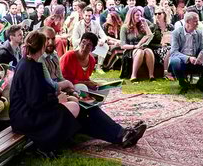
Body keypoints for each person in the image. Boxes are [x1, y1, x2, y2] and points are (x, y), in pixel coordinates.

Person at [9, 30, 145, 153]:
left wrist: (60, 95)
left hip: (33, 110)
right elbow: (35, 101)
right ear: (42, 46)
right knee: (77, 108)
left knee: (85, 108)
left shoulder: (30, 63)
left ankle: (121, 134)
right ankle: (120, 134)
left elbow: (40, 91)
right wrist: (57, 99)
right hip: (27, 117)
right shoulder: (30, 67)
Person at [168, 11, 203, 91]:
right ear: (187, 22)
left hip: (195, 60)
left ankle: (201, 82)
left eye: (197, 21)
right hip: (182, 60)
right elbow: (174, 52)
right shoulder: (176, 33)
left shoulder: (198, 33)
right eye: (195, 21)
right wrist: (188, 58)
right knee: (175, 61)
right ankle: (182, 82)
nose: (198, 23)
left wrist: (202, 55)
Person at [120, 7, 158, 80]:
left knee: (149, 51)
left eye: (140, 15)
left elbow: (150, 35)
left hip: (141, 47)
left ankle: (151, 76)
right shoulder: (124, 27)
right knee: (140, 52)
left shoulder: (141, 25)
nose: (139, 17)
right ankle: (133, 76)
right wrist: (135, 46)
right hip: (130, 49)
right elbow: (123, 45)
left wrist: (145, 24)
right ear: (132, 16)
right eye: (137, 15)